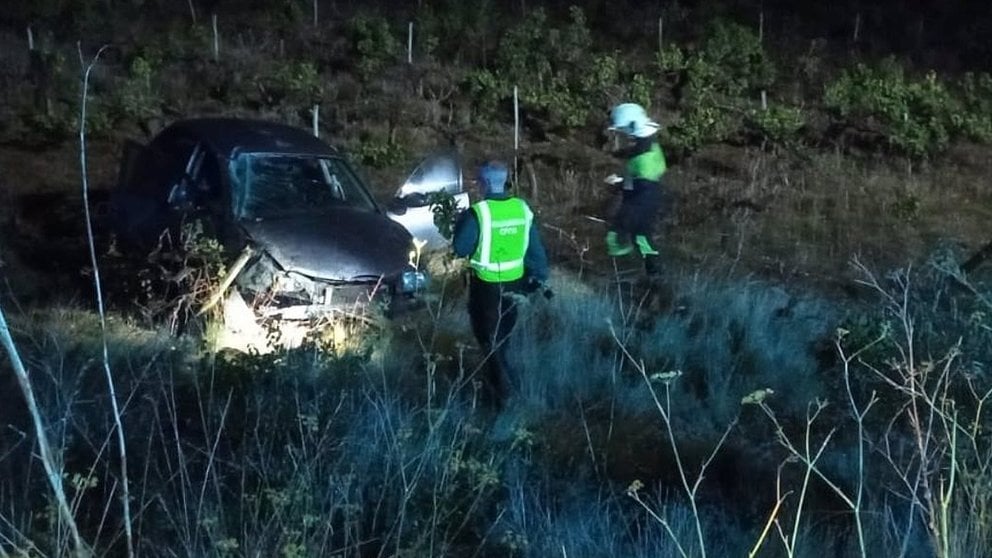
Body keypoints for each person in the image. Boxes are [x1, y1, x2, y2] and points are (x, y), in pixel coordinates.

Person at [452, 161, 550, 408]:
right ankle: (503, 389)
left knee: (489, 341)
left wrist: (459, 224)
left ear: (483, 183)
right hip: (515, 284)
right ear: (505, 182)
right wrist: (539, 276)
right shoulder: (522, 209)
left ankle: (502, 396)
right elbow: (535, 248)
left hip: (486, 289)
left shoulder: (479, 212)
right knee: (503, 339)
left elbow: (461, 248)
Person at [604, 102, 668, 277]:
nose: (622, 135)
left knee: (619, 238)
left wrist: (620, 226)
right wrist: (623, 181)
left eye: (623, 131)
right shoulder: (648, 143)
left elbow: (642, 189)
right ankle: (655, 275)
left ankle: (629, 276)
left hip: (643, 198)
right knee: (642, 238)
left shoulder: (643, 154)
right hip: (648, 194)